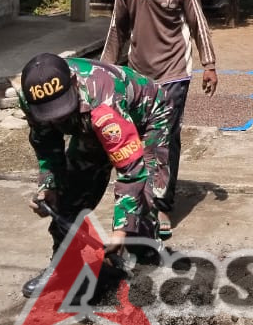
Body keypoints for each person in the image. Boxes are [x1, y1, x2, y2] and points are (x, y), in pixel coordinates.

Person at [18, 52, 172, 297]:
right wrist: (48, 187)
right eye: (51, 114)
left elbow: (132, 172)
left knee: (144, 197)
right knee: (70, 195)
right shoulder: (31, 99)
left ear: (74, 83)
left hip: (146, 116)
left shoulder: (104, 103)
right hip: (86, 122)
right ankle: (64, 266)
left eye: (61, 112)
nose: (58, 120)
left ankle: (145, 268)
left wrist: (120, 231)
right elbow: (46, 144)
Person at [101, 0, 218, 221]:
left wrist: (209, 64)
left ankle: (162, 209)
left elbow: (197, 22)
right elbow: (117, 29)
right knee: (137, 140)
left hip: (174, 73)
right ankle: (142, 200)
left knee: (163, 139)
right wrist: (104, 72)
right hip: (137, 77)